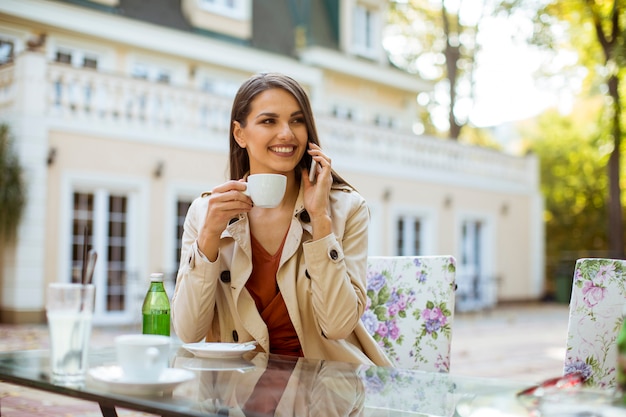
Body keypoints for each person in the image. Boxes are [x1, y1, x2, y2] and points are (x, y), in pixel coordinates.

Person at [171, 72, 391, 366]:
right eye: (269, 121)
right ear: (240, 134)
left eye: (297, 120)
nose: (287, 133)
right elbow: (188, 332)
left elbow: (338, 326)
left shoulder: (346, 209)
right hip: (238, 390)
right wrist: (209, 237)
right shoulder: (206, 212)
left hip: (324, 390)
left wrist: (321, 221)